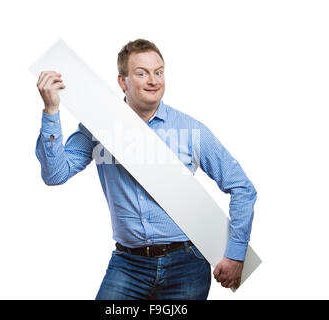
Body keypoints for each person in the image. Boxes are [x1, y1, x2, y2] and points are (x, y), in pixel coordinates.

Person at [35, 39, 257, 300]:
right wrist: (51, 110)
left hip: (186, 264)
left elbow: (242, 187)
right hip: (128, 265)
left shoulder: (190, 130)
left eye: (159, 72)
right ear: (122, 81)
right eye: (142, 73)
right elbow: (55, 174)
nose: (153, 80)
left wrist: (235, 253)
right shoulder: (99, 126)